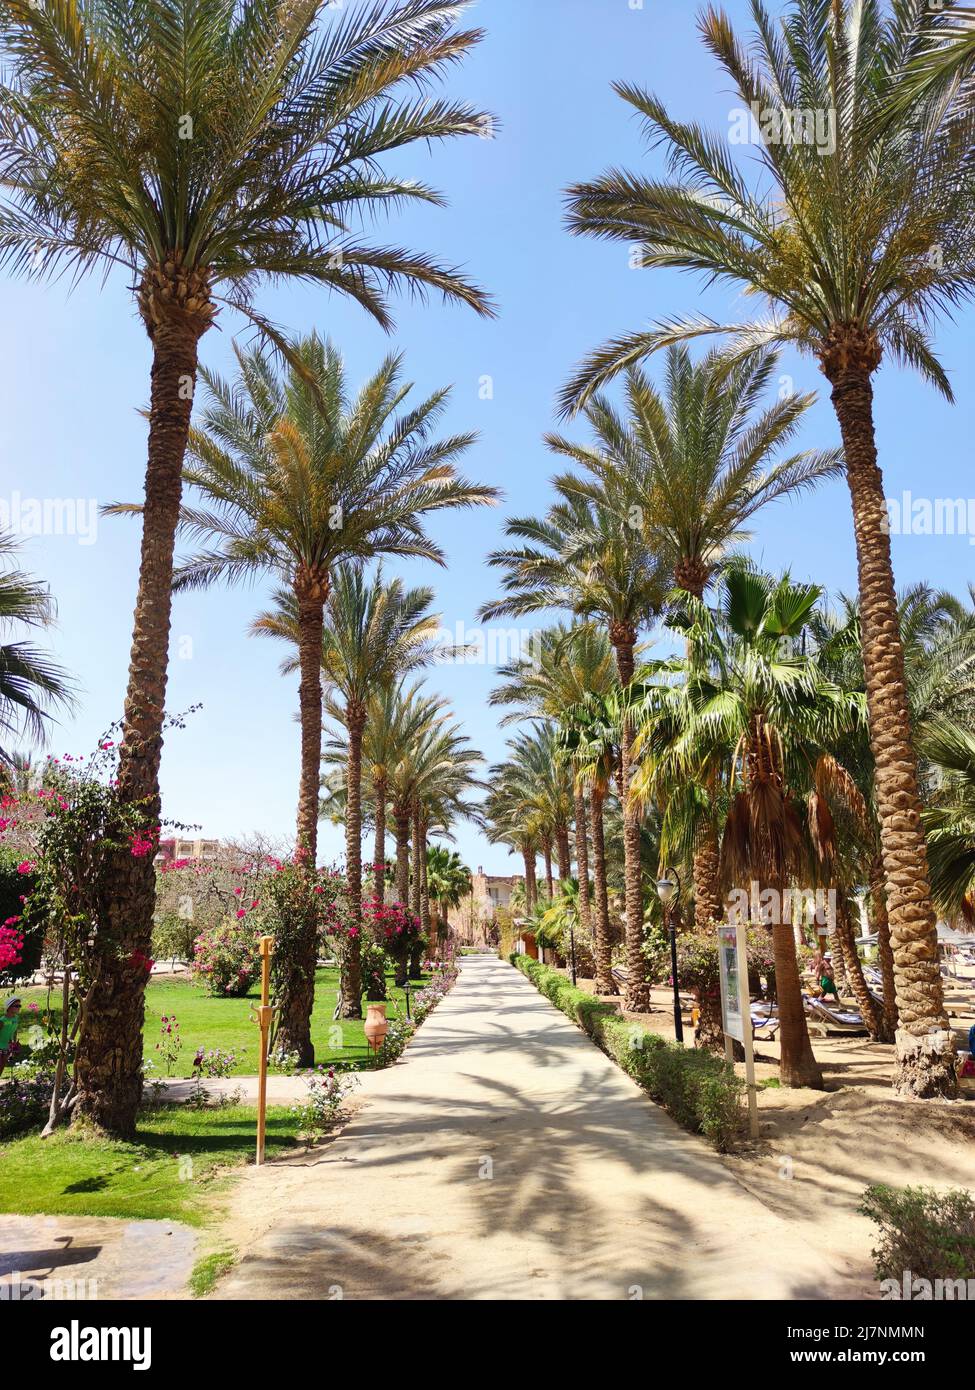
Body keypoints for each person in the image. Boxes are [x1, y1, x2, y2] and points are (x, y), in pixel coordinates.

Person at [0, 995, 22, 1075]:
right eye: (16, 1006)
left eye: (20, 1005)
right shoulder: (3, 1021)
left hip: (7, 1047)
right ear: (9, 1007)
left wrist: (14, 1043)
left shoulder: (16, 1018)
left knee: (1, 1067)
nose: (19, 1007)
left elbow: (14, 1031)